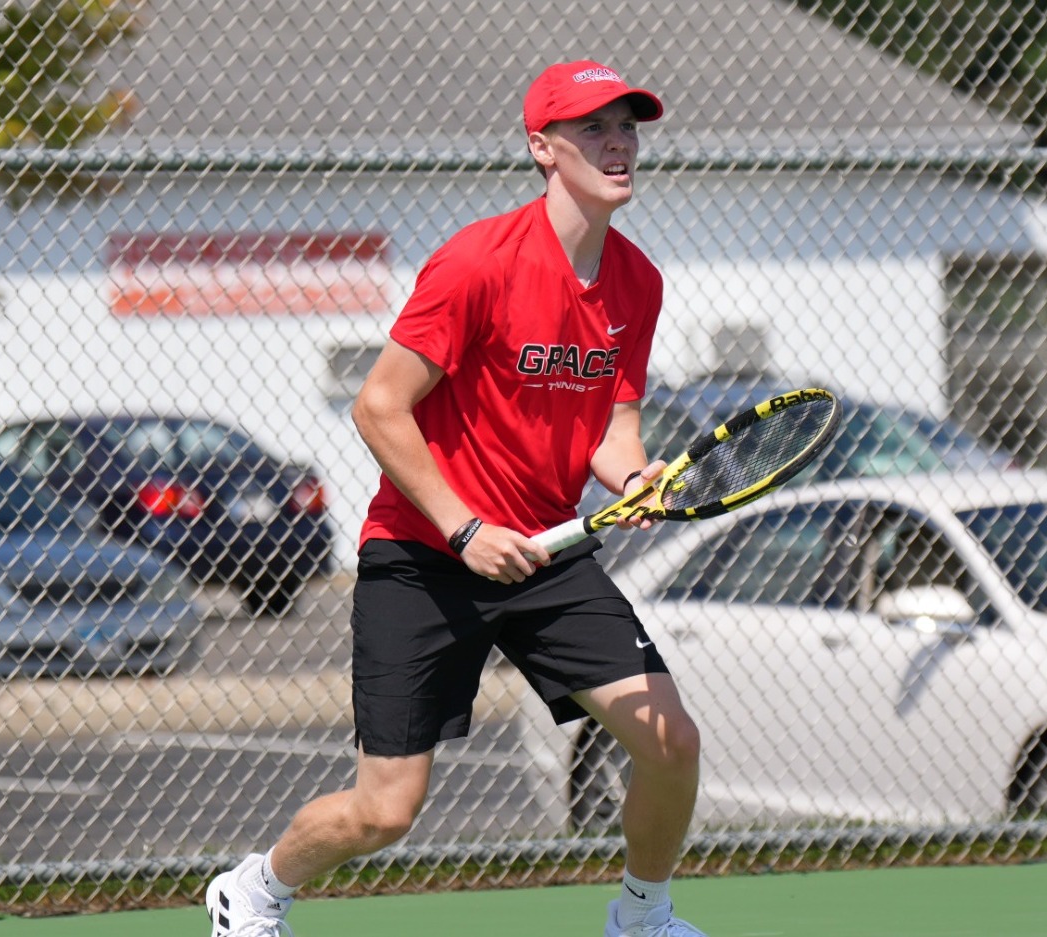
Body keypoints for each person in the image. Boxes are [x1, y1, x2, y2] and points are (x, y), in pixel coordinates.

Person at [206, 59, 707, 937]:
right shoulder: (477, 261)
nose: (618, 142)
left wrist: (634, 478)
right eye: (593, 128)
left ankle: (642, 917)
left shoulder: (637, 282)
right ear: (541, 148)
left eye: (627, 125)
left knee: (671, 743)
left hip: (548, 553)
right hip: (425, 556)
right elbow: (378, 405)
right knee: (385, 810)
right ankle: (253, 888)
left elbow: (610, 432)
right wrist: (465, 525)